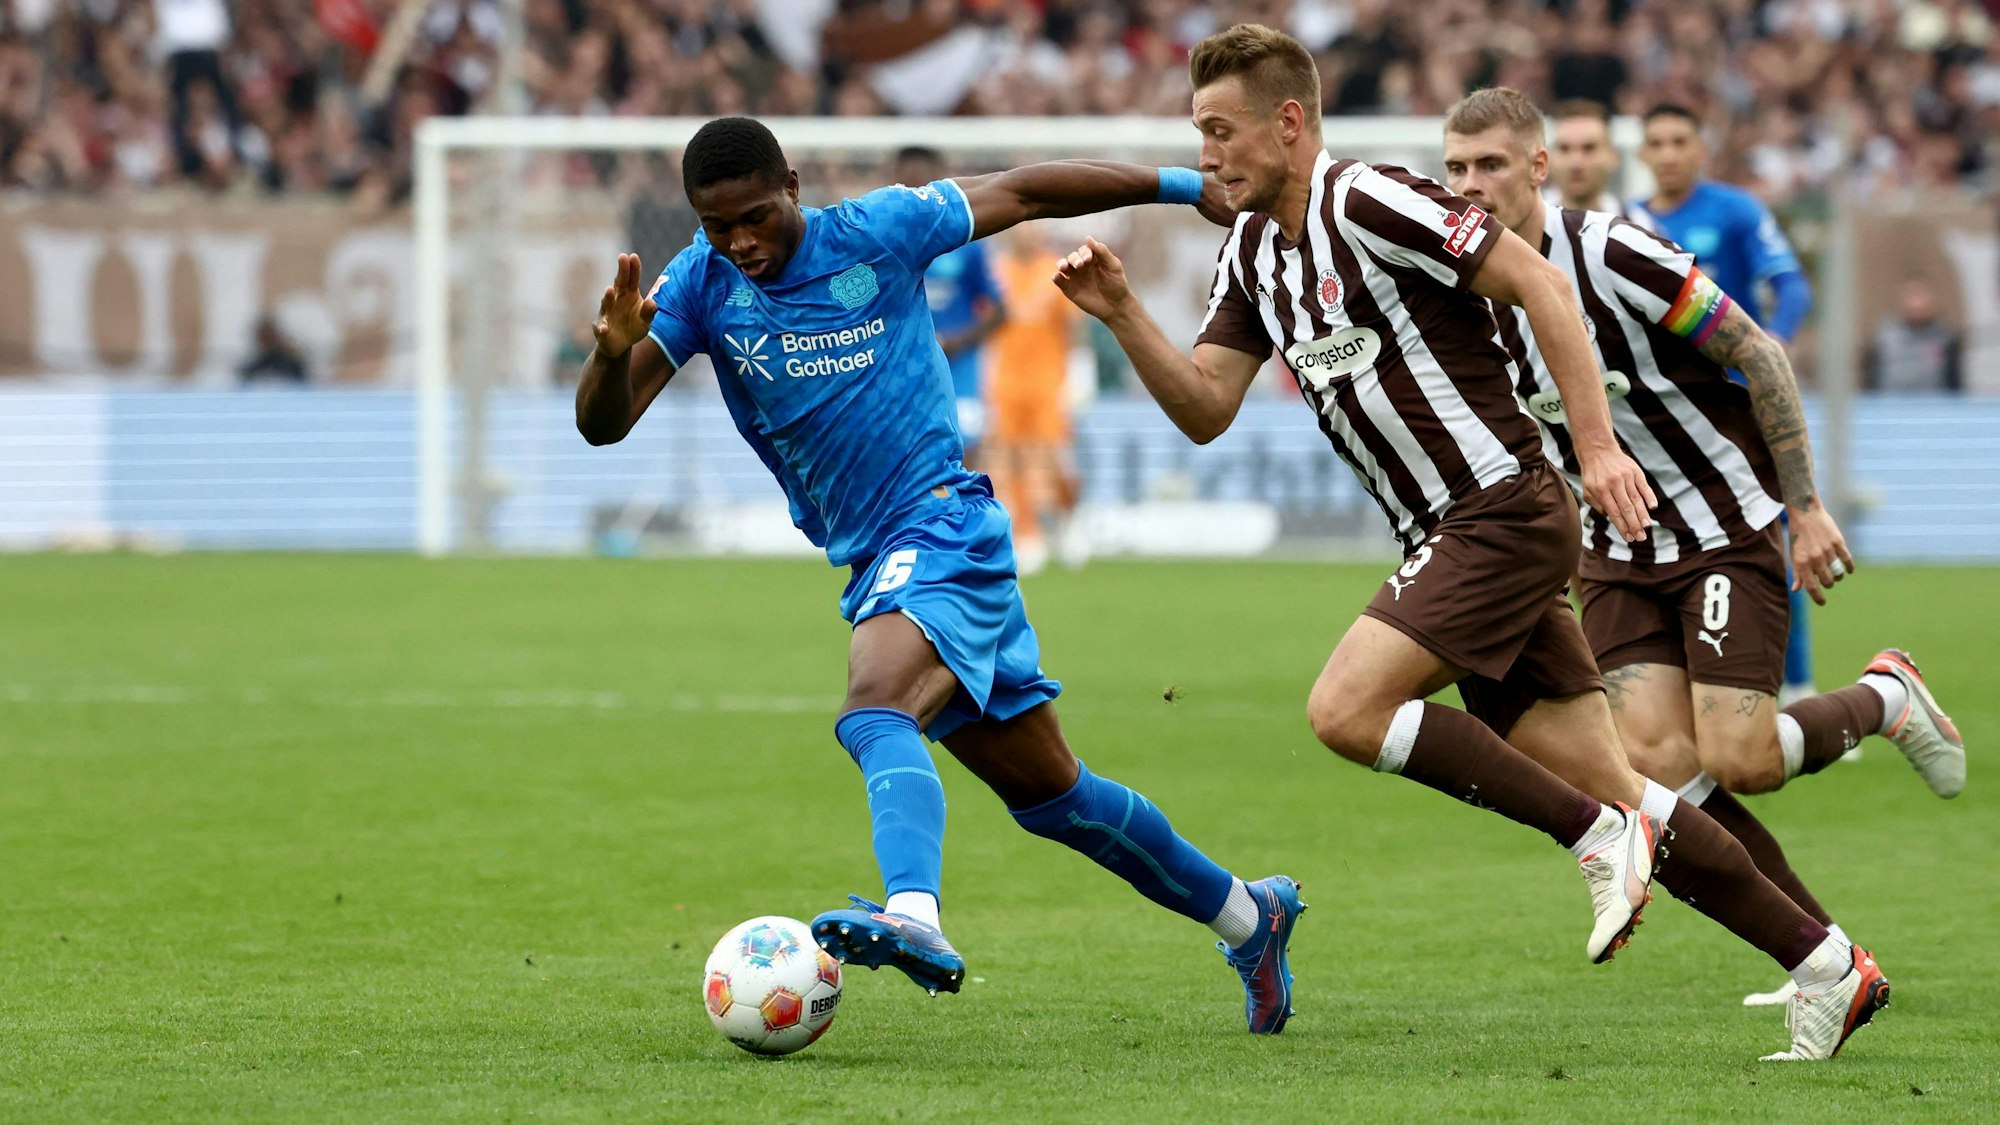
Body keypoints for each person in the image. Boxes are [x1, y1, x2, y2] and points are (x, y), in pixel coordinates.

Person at [1055, 23, 1883, 1062]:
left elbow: (1540, 283)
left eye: (1222, 130)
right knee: (1629, 785)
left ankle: (1596, 838)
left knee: (1346, 709)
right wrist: (1122, 312)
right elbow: (1206, 407)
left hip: (1500, 509)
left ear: (1289, 122)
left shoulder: (1370, 200)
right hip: (1453, 532)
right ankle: (1826, 963)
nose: (1206, 153)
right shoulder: (1252, 255)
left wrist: (1596, 449)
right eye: (1199, 132)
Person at [575, 117, 1307, 1033]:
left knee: (875, 706)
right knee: (1059, 798)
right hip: (879, 556)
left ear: (792, 185)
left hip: (941, 524)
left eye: (755, 217)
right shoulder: (700, 283)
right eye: (719, 226)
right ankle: (1250, 916)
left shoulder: (878, 230)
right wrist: (610, 354)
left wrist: (1181, 184)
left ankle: (913, 912)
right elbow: (604, 424)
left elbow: (1026, 190)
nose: (742, 242)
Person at [1441, 86, 1965, 1013]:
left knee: (1743, 758)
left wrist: (1805, 507)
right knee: (1657, 767)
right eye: (1455, 168)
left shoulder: (1616, 252)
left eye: (1490, 165)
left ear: (1538, 167)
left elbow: (1759, 352)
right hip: (1613, 550)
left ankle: (1885, 696)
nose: (1470, 185)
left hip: (1720, 525)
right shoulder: (1462, 296)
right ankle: (1825, 958)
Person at [1632, 104, 1819, 703]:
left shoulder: (1737, 211)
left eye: (1679, 140)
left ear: (1700, 148)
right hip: (1662, 417)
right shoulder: (1627, 223)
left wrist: (1774, 343)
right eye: (1657, 142)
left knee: (1771, 541)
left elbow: (1792, 284)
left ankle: (1797, 688)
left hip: (1738, 407)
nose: (1668, 153)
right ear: (1642, 153)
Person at [891, 146, 1008, 463]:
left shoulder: (967, 243)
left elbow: (1001, 312)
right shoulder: (885, 244)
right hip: (905, 368)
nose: (913, 192)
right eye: (905, 182)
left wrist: (957, 341)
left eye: (920, 182)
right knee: (908, 455)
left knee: (967, 451)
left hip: (960, 369)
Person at [987, 225, 1085, 573]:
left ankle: (1070, 520)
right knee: (1012, 457)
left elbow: (1073, 325)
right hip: (1008, 381)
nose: (1026, 234)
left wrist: (1081, 369)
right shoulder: (997, 270)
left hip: (1048, 381)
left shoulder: (1054, 270)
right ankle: (1028, 532)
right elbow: (985, 323)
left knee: (1054, 457)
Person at [1867, 278, 1964, 393]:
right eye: (1912, 297)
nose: (1916, 304)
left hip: (1934, 401)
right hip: (1890, 400)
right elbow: (1872, 377)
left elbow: (1954, 382)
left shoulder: (1945, 338)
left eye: (1920, 297)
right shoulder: (1885, 337)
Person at [1545, 99, 1625, 213]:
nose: (1576, 162)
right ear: (1548, 159)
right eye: (1564, 148)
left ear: (1613, 156)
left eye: (1589, 148)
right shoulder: (1525, 220)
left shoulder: (1638, 221)